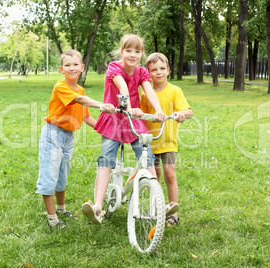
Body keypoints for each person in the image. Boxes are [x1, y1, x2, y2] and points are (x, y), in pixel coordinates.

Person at [82, 34, 177, 225]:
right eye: (128, 50)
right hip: (114, 118)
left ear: (142, 54)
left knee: (148, 157)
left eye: (137, 51)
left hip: (133, 120)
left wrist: (159, 111)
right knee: (106, 160)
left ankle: (158, 205)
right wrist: (127, 106)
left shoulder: (142, 72)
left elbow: (148, 90)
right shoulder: (114, 67)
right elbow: (122, 85)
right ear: (121, 52)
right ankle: (98, 207)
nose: (132, 55)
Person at [36, 49, 115, 228]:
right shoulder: (61, 86)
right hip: (53, 135)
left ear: (82, 67)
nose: (71, 68)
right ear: (61, 69)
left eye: (75, 65)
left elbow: (85, 117)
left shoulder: (80, 88)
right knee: (50, 176)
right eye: (67, 65)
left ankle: (62, 209)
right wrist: (101, 105)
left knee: (62, 175)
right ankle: (52, 220)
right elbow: (79, 100)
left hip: (67, 137)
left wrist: (105, 131)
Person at [140, 52, 193, 226]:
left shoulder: (175, 91)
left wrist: (180, 113)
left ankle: (173, 213)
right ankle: (158, 207)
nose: (158, 72)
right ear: (148, 73)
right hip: (150, 143)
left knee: (170, 175)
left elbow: (189, 111)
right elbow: (141, 116)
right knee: (155, 177)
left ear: (168, 70)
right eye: (154, 70)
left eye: (162, 68)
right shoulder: (145, 94)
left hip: (168, 142)